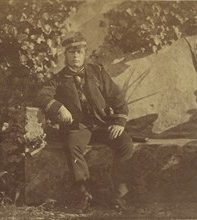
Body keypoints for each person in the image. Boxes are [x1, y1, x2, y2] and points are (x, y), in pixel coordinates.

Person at [37, 32, 135, 211]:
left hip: (103, 124)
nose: (75, 56)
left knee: (126, 144)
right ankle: (84, 196)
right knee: (73, 146)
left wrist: (120, 121)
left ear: (85, 54)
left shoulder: (97, 72)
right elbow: (42, 95)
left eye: (79, 52)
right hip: (78, 127)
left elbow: (117, 97)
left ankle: (118, 196)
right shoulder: (58, 79)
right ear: (65, 55)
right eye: (71, 52)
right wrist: (59, 107)